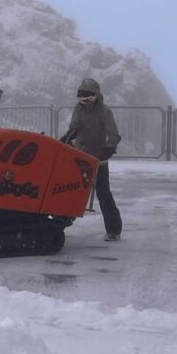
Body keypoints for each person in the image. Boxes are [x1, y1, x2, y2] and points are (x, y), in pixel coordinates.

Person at [60, 78, 123, 241]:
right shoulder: (79, 109)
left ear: (96, 96)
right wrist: (67, 137)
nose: (85, 102)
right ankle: (59, 222)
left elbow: (113, 134)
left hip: (99, 155)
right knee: (69, 189)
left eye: (89, 98)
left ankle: (114, 229)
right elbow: (74, 127)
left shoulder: (104, 112)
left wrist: (108, 149)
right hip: (80, 155)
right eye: (82, 98)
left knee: (103, 193)